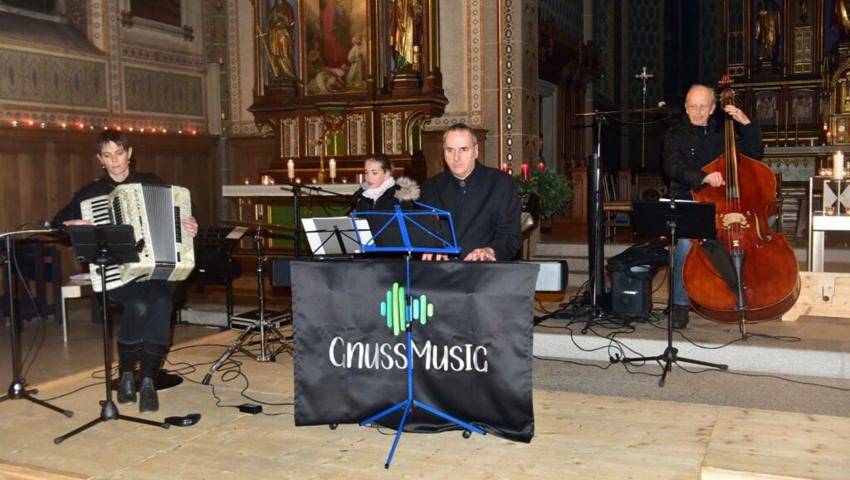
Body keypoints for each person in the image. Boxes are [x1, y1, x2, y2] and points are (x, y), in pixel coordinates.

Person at [53, 129, 199, 412]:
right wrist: (73, 225)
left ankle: (146, 380)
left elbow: (183, 217)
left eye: (119, 153)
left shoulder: (153, 183)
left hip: (157, 269)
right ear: (100, 159)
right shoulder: (90, 194)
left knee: (160, 300)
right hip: (116, 273)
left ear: (129, 154)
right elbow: (58, 225)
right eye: (107, 156)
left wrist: (191, 224)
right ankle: (128, 373)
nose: (115, 161)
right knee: (142, 304)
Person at [663, 84, 762, 329]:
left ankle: (744, 294)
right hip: (688, 199)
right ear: (686, 108)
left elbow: (754, 154)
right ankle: (680, 306)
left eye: (702, 107)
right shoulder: (675, 134)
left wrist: (745, 123)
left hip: (723, 204)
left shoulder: (722, 133)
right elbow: (673, 166)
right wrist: (702, 177)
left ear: (712, 109)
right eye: (692, 107)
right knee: (685, 243)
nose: (696, 112)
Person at [419, 123, 521, 261]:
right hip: (441, 272)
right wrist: (430, 248)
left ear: (476, 151)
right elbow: (422, 234)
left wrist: (489, 251)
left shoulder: (501, 184)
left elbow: (510, 236)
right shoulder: (429, 188)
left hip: (483, 272)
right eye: (450, 150)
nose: (456, 157)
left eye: (463, 149)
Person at [352, 154, 419, 212]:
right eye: (366, 172)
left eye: (374, 173)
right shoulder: (364, 196)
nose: (368, 177)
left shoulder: (400, 197)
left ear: (386, 174)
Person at [265, 0, 296, 79]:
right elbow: (268, 24)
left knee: (285, 54)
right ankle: (276, 74)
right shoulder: (274, 9)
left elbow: (291, 22)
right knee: (275, 55)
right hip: (275, 35)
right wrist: (274, 25)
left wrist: (285, 24)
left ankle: (289, 73)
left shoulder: (288, 7)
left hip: (284, 34)